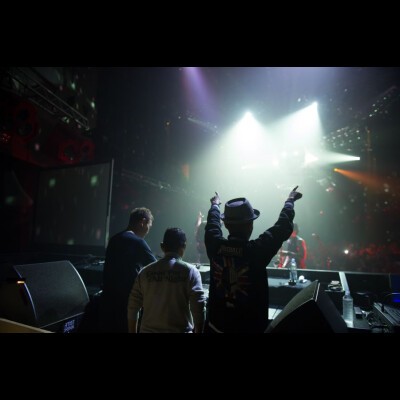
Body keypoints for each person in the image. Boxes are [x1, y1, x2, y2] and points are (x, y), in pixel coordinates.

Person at [204, 187, 303, 333]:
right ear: (250, 225)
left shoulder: (214, 245)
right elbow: (282, 226)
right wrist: (290, 200)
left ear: (225, 224)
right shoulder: (257, 251)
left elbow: (212, 224)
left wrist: (215, 205)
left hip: (215, 327)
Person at [127, 227, 206, 333]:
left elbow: (132, 308)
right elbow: (198, 308)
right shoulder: (191, 271)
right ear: (184, 246)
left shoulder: (144, 272)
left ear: (162, 246)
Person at [99, 207, 156, 332]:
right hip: (128, 300)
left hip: (108, 299)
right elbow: (155, 267)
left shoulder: (114, 239)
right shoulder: (138, 242)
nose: (148, 231)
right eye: (149, 226)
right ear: (142, 222)